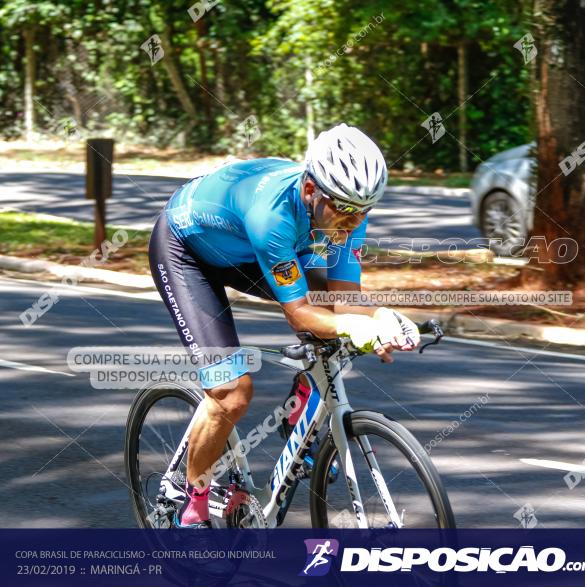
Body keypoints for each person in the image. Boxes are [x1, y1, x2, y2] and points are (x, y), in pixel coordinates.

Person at [147, 124, 420, 528]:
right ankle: (192, 506)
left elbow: (343, 299)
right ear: (311, 190)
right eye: (344, 209)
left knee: (330, 330)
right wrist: (350, 324)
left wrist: (382, 318)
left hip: (243, 247)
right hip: (186, 249)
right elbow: (300, 311)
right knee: (231, 394)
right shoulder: (271, 215)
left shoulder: (347, 209)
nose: (353, 221)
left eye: (363, 211)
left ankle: (301, 408)